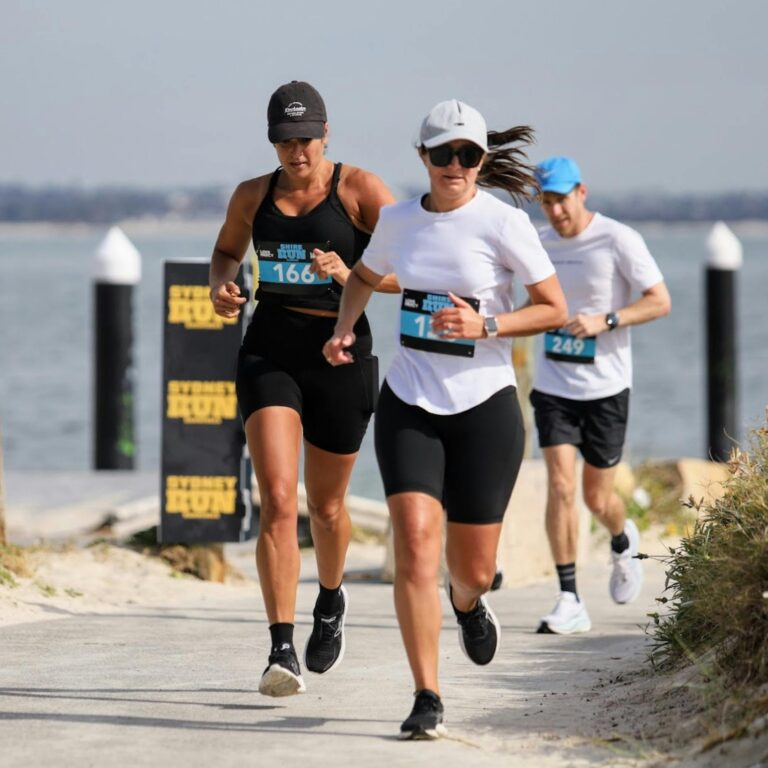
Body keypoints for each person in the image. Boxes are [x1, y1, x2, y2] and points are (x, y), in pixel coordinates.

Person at [323, 100, 568, 739]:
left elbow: (553, 310)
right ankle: (426, 693)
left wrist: (486, 323)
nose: (454, 165)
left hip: (486, 405)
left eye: (467, 154)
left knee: (473, 568)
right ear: (423, 157)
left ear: (481, 160)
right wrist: (344, 330)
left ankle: (468, 603)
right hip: (410, 400)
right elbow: (364, 277)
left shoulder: (504, 225)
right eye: (443, 154)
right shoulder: (400, 220)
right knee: (414, 545)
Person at [209, 80, 398, 697]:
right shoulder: (251, 196)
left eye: (306, 140)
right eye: (285, 142)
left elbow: (413, 269)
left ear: (326, 134)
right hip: (271, 351)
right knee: (278, 499)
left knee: (328, 507)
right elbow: (224, 253)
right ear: (273, 142)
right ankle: (281, 646)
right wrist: (222, 287)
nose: (297, 153)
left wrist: (352, 273)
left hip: (339, 355)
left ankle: (332, 599)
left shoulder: (360, 191)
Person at [531, 156, 671, 635]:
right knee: (561, 486)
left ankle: (620, 535)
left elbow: (659, 300)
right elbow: (532, 306)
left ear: (582, 193)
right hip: (553, 385)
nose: (555, 211)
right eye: (546, 201)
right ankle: (569, 597)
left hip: (607, 388)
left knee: (596, 497)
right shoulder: (539, 242)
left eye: (562, 199)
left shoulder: (618, 238)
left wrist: (606, 320)